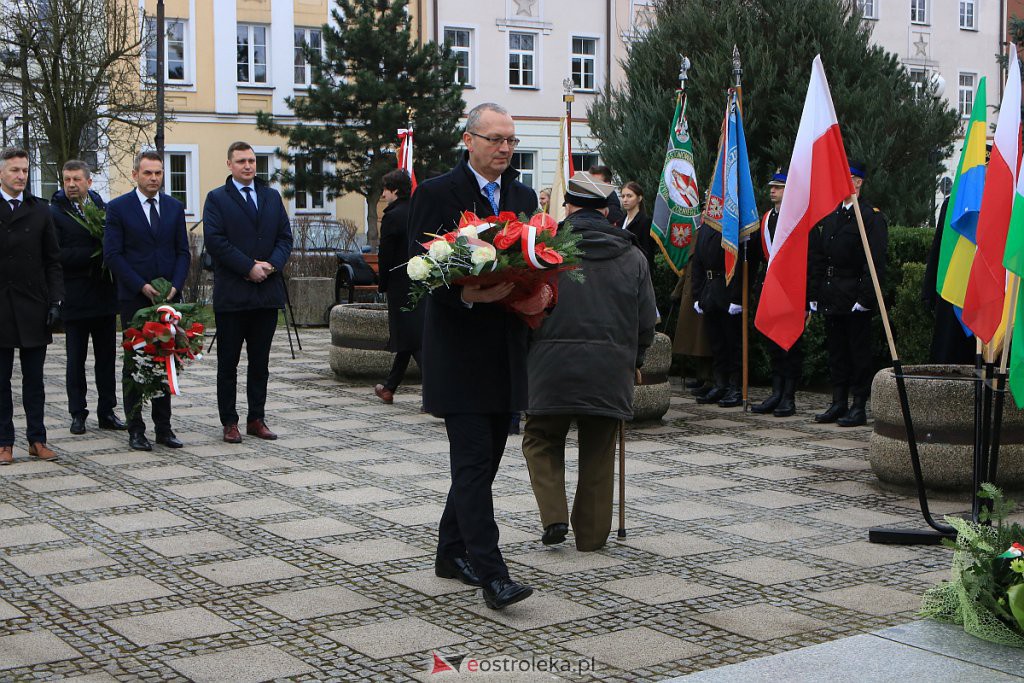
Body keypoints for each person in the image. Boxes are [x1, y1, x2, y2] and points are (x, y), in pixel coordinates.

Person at [408, 102, 536, 610]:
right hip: (458, 353)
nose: (505, 148)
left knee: (481, 467)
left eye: (511, 140)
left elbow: (534, 262)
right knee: (473, 463)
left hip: (505, 351)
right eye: (495, 139)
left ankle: (450, 553)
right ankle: (493, 575)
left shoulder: (522, 196)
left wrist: (541, 294)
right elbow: (416, 269)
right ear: (469, 140)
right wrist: (466, 294)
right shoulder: (437, 193)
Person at [522, 172, 656, 551]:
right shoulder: (633, 256)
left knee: (540, 438)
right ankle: (592, 538)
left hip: (550, 367)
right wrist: (636, 359)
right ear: (606, 211)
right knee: (599, 451)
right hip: (610, 370)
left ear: (569, 208)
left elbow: (524, 308)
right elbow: (646, 320)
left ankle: (554, 516)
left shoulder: (544, 252)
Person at [203, 141, 293, 444]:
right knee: (228, 363)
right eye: (241, 161)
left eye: (252, 161)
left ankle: (257, 417)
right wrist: (248, 267)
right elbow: (216, 241)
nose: (248, 166)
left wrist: (272, 264)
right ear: (229, 164)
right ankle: (229, 421)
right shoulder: (217, 198)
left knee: (260, 363)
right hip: (233, 294)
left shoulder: (270, 196)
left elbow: (284, 237)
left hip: (266, 292)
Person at [104, 150, 190, 451]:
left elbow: (183, 252)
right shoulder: (119, 208)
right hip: (135, 298)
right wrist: (140, 285)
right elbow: (113, 255)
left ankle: (163, 428)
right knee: (136, 363)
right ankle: (135, 428)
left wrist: (175, 286)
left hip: (167, 299)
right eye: (148, 173)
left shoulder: (174, 207)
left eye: (158, 173)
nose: (154, 178)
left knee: (165, 360)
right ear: (135, 175)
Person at [811, 160, 888, 427]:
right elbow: (821, 257)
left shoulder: (870, 216)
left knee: (858, 353)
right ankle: (838, 402)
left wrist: (865, 299)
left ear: (858, 182)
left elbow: (874, 261)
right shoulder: (833, 215)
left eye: (848, 178)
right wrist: (816, 293)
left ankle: (858, 405)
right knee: (836, 352)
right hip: (833, 294)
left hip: (854, 294)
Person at [51, 160, 126, 435]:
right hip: (75, 297)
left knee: (106, 359)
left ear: (89, 182)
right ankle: (77, 413)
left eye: (76, 179)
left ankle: (107, 411)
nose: (71, 185)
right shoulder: (55, 213)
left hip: (104, 297)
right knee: (76, 361)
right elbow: (56, 254)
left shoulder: (102, 208)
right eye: (67, 180)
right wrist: (94, 254)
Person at [0, 147, 63, 464]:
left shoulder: (40, 210)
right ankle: (4, 442)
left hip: (33, 304)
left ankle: (37, 439)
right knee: (1, 381)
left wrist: (56, 300)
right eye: (15, 170)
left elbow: (53, 261)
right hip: (1, 305)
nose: (21, 176)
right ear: (1, 172)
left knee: (34, 380)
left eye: (24, 170)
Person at [751, 168, 805, 417]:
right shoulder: (766, 219)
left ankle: (788, 396)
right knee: (773, 343)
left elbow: (807, 258)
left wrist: (808, 298)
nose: (772, 191)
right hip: (770, 289)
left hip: (791, 290)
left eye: (778, 187)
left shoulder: (796, 219)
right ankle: (776, 392)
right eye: (772, 187)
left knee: (790, 345)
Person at [690, 215, 757, 409]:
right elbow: (698, 263)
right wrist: (697, 295)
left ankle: (735, 387)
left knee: (733, 343)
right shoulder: (705, 228)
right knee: (717, 343)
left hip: (729, 292)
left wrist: (737, 298)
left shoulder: (733, 225)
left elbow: (743, 263)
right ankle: (720, 383)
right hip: (710, 292)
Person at [374, 168, 421, 404]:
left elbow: (386, 255)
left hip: (400, 282)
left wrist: (382, 284)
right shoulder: (417, 210)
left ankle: (435, 391)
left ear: (394, 190)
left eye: (385, 189)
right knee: (410, 336)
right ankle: (389, 387)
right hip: (420, 279)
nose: (383, 195)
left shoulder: (392, 216)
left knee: (411, 338)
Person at [921, 195, 975, 364]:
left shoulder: (1004, 199)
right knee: (947, 353)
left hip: (983, 294)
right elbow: (939, 246)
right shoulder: (952, 202)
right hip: (951, 292)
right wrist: (929, 290)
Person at [620, 181, 655, 275]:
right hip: (621, 270)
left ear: (639, 198)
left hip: (637, 272)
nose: (625, 200)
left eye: (629, 196)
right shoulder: (620, 221)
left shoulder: (645, 222)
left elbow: (647, 252)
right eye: (623, 196)